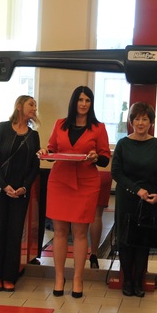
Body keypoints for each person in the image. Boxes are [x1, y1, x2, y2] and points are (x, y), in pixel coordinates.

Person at [45, 85, 111, 298]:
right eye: (80, 100)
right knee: (60, 232)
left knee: (81, 232)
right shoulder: (59, 124)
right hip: (60, 181)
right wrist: (45, 152)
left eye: (87, 100)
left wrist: (95, 157)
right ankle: (59, 278)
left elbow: (105, 158)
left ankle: (77, 279)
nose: (83, 104)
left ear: (91, 104)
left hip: (86, 183)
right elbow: (52, 149)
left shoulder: (98, 128)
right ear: (74, 101)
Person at [110, 102, 157, 297]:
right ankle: (127, 281)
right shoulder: (123, 144)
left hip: (149, 199)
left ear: (151, 122)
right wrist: (136, 190)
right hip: (127, 197)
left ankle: (138, 282)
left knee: (143, 241)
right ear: (131, 121)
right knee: (125, 241)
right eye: (137, 119)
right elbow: (116, 172)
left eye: (144, 119)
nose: (140, 123)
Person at [0, 95, 40, 292]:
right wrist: (3, 185)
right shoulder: (2, 128)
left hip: (21, 192)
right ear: (19, 106)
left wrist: (25, 187)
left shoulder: (33, 135)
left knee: (14, 233)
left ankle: (10, 276)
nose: (34, 108)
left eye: (35, 105)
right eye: (31, 104)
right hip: (0, 190)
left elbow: (35, 165)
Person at [88, 167, 113, 269]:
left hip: (85, 173)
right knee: (97, 216)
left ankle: (79, 255)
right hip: (105, 173)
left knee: (79, 219)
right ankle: (94, 254)